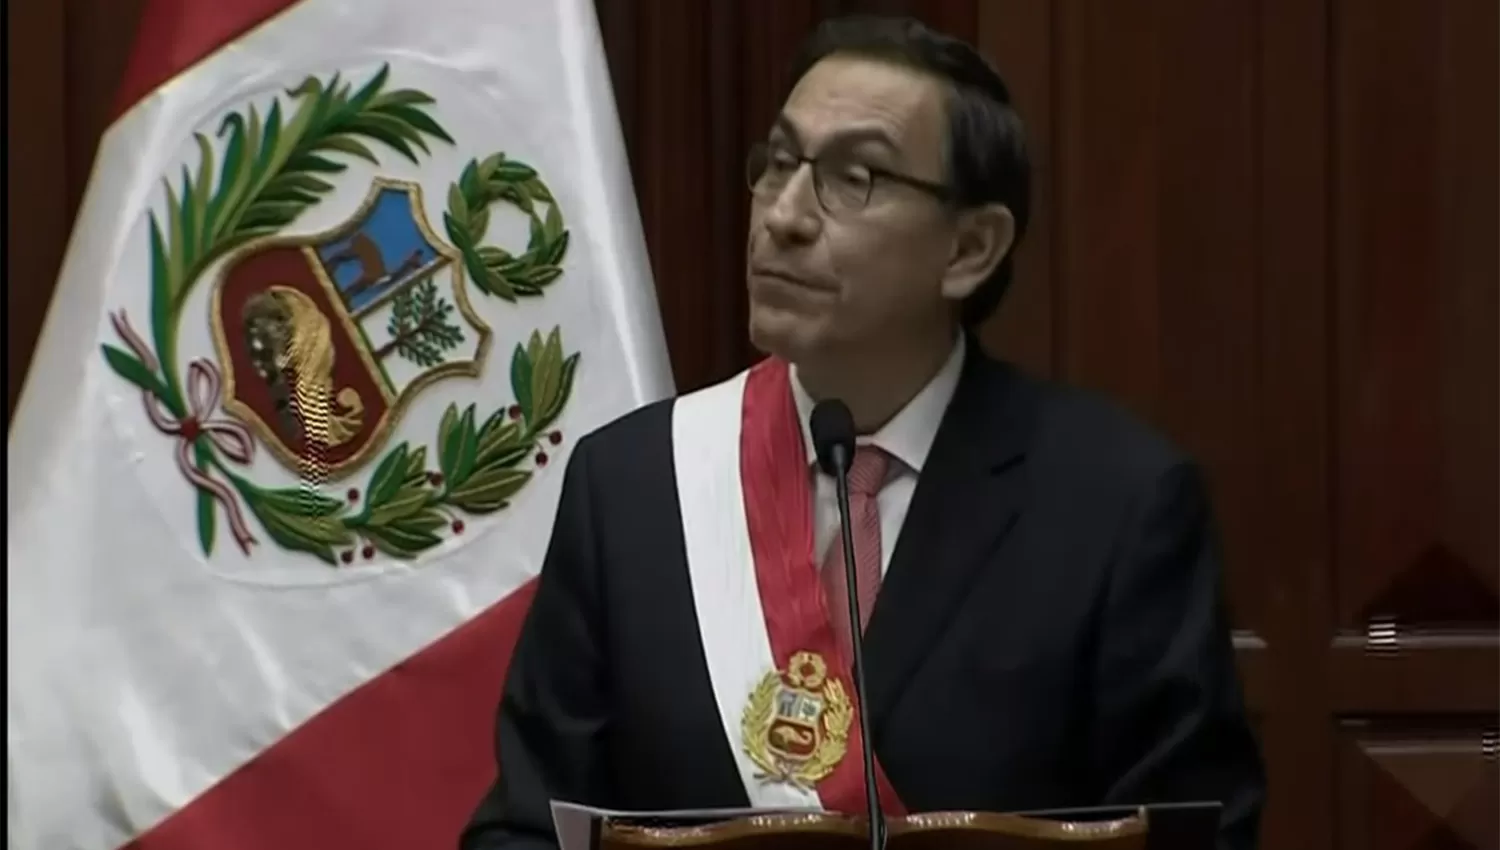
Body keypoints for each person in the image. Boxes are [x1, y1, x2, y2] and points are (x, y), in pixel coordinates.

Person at [460, 14, 1264, 850]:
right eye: (777, 164)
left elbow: (1192, 836)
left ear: (972, 247)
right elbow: (522, 831)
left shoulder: (1116, 506)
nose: (785, 216)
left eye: (856, 178)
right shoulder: (631, 489)